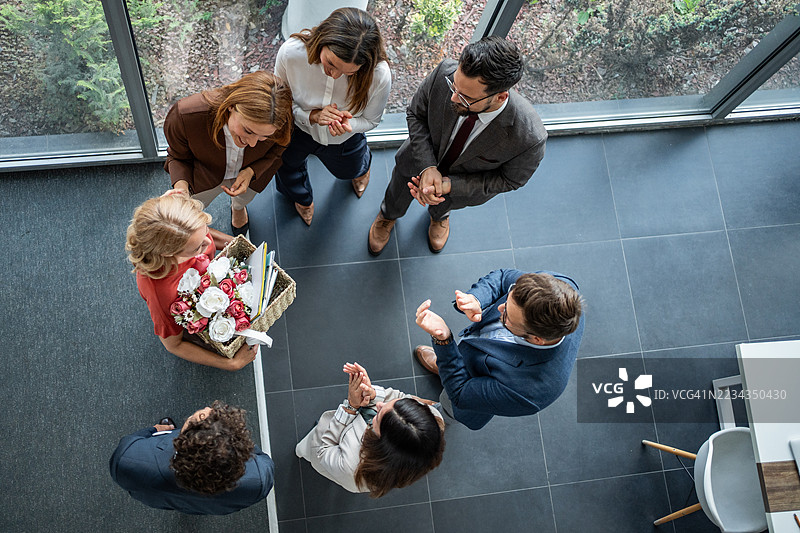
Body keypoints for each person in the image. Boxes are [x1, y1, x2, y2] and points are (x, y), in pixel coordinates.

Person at [368, 36, 547, 254]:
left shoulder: (529, 138)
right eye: (454, 86)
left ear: (500, 97)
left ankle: (439, 217)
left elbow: (510, 180)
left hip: (460, 189)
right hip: (415, 159)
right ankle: (388, 216)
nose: (453, 98)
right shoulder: (445, 71)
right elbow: (416, 113)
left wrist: (450, 186)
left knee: (444, 203)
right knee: (397, 190)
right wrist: (427, 166)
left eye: (465, 97)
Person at [414, 269, 584, 430]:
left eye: (507, 316)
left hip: (467, 393)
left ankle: (437, 415)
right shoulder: (557, 287)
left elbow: (460, 393)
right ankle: (447, 365)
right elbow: (504, 277)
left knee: (448, 406)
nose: (499, 308)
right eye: (507, 299)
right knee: (451, 366)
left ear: (537, 339)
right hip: (474, 355)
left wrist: (443, 341)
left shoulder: (527, 390)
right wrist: (477, 299)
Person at [274, 7, 391, 225]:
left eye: (349, 73)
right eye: (330, 64)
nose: (336, 75)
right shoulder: (291, 54)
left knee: (352, 168)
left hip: (344, 137)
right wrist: (312, 116)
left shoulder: (379, 75)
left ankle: (361, 171)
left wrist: (351, 124)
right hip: (299, 129)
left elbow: (372, 120)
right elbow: (279, 104)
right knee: (286, 167)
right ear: (323, 39)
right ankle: (302, 199)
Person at [126, 191, 257, 371]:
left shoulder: (180, 222)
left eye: (205, 230)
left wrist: (238, 244)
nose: (208, 243)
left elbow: (204, 238)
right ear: (168, 252)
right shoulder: (162, 294)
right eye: (197, 247)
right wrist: (230, 364)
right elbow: (174, 345)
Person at [163, 71, 293, 236]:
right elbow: (177, 155)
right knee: (192, 210)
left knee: (244, 197)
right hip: (203, 175)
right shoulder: (186, 116)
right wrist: (182, 189)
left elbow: (280, 148)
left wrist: (252, 171)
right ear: (232, 105)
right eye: (248, 130)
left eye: (264, 137)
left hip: (249, 174)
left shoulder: (281, 118)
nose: (252, 143)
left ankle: (238, 208)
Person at [296, 362, 445, 497]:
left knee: (306, 449)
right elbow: (399, 396)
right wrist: (372, 393)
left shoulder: (352, 466)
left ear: (384, 443)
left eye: (379, 415)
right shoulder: (432, 418)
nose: (379, 405)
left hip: (324, 447)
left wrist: (351, 408)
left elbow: (324, 450)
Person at [109, 401, 274, 515]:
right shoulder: (258, 479)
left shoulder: (129, 459)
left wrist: (155, 429)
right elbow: (261, 457)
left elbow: (133, 439)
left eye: (202, 416)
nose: (207, 407)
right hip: (207, 507)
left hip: (160, 497)